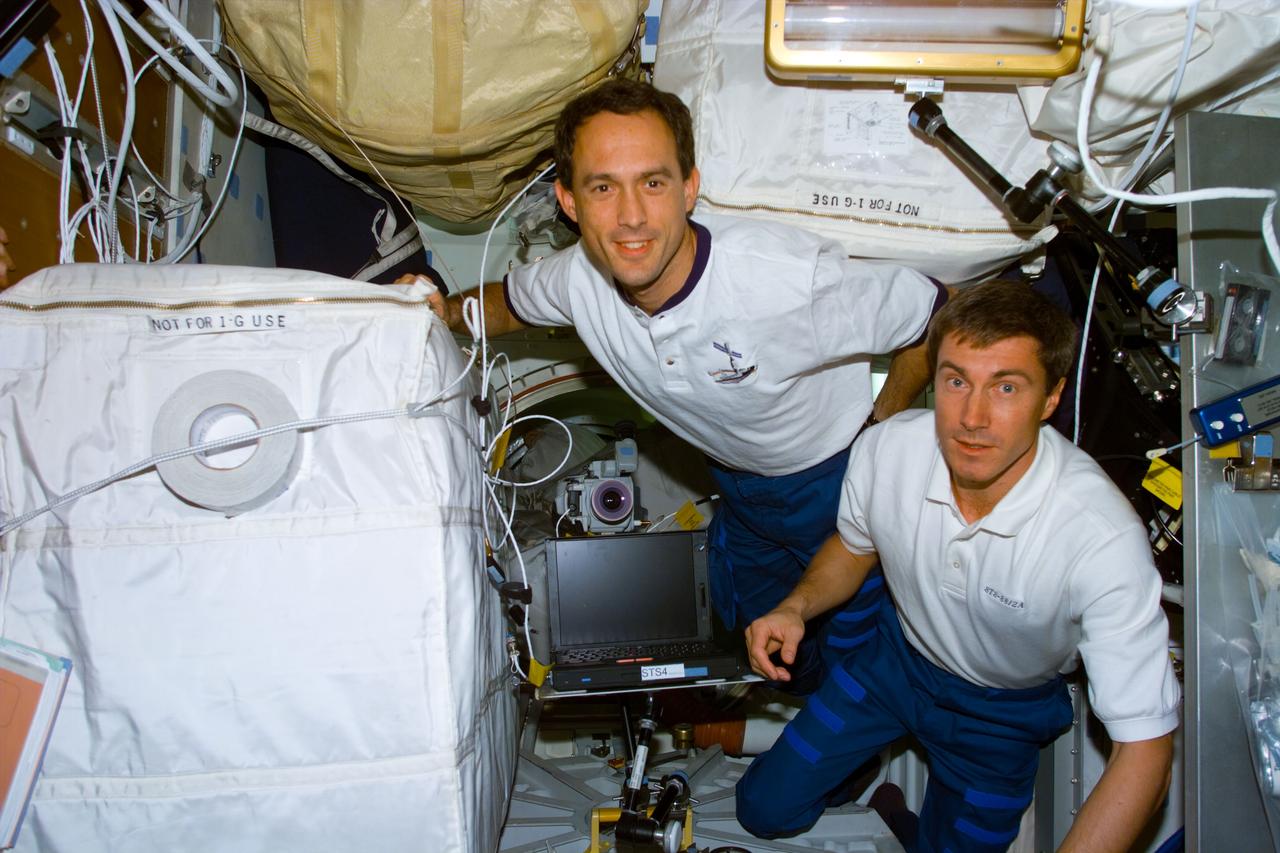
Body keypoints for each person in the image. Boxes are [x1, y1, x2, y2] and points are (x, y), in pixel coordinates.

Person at [417, 77, 948, 690]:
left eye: (653, 182)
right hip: (736, 482)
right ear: (569, 201)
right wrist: (446, 312)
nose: (632, 216)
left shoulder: (782, 280)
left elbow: (938, 312)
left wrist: (883, 426)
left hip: (833, 478)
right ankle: (806, 699)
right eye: (603, 187)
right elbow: (508, 303)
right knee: (761, 636)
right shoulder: (574, 281)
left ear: (689, 188)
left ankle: (851, 733)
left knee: (868, 643)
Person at [736, 281, 1181, 852]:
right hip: (893, 667)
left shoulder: (1099, 537)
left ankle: (901, 817)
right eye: (955, 381)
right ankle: (855, 774)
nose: (972, 417)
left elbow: (1146, 750)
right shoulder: (886, 450)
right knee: (762, 811)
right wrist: (795, 606)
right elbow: (853, 547)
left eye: (1006, 387)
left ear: (1050, 399)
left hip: (1000, 715)